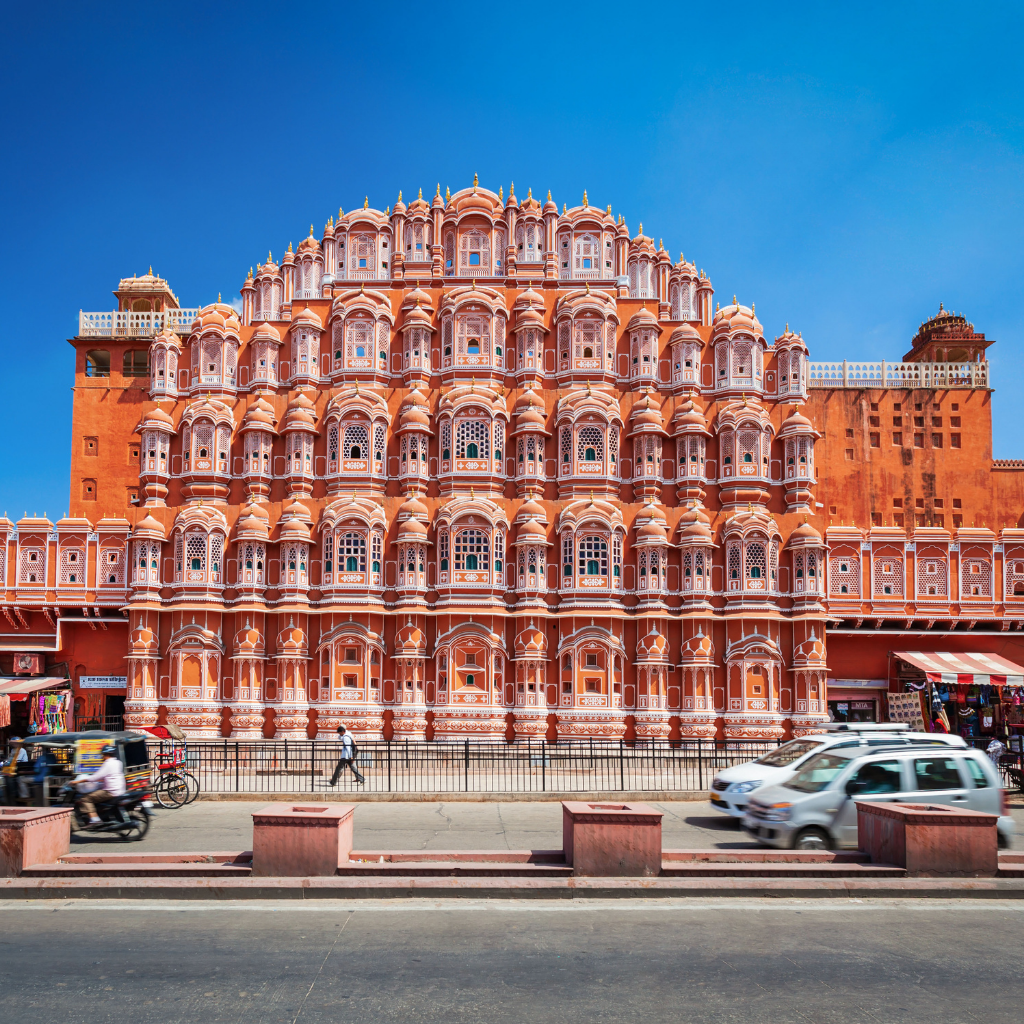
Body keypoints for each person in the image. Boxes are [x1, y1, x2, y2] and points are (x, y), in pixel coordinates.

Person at [72, 744, 126, 824]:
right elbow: (109, 775)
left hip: (111, 791)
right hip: (120, 789)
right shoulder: (118, 762)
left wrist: (77, 782)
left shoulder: (108, 764)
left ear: (106, 755)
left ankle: (95, 820)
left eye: (103, 755)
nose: (102, 757)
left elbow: (94, 778)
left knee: (85, 799)